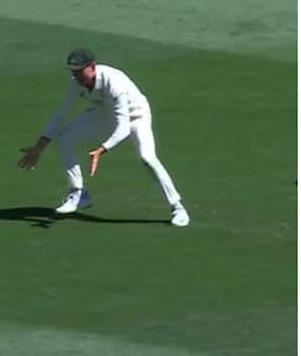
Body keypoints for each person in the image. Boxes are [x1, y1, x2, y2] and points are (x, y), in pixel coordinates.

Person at [18, 48, 190, 227]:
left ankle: (177, 207)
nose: (76, 76)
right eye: (73, 72)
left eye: (79, 71)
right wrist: (39, 148)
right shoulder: (75, 83)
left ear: (92, 67)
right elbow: (60, 114)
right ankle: (78, 192)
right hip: (103, 113)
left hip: (135, 115)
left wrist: (103, 148)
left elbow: (123, 126)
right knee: (65, 139)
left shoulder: (113, 82)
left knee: (147, 157)